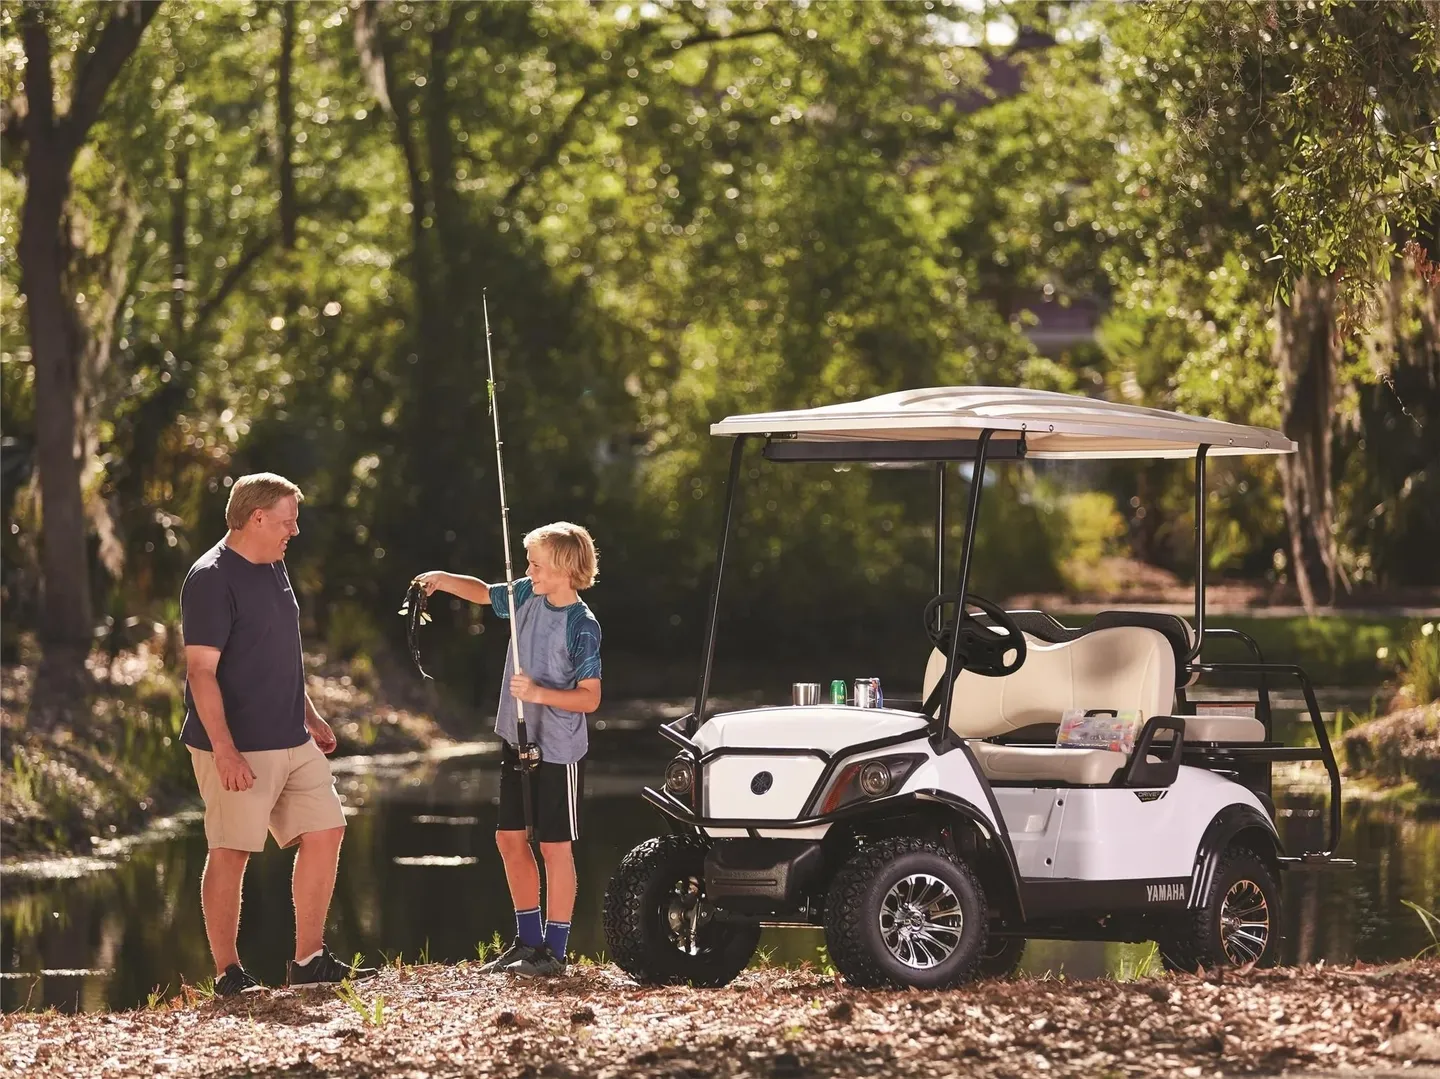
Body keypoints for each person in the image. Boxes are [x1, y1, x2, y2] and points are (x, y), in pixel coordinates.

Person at [180, 472, 375, 995]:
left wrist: (309, 714)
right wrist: (223, 749)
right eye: (287, 521)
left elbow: (278, 651)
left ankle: (308, 959)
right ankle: (229, 974)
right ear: (256, 517)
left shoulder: (275, 566)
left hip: (291, 734)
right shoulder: (210, 578)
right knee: (232, 850)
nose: (294, 531)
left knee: (327, 830)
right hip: (237, 744)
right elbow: (201, 671)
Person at [415, 522, 602, 977]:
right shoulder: (526, 596)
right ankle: (528, 942)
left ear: (562, 568)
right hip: (517, 740)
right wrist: (441, 579)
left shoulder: (583, 625)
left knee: (555, 847)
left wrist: (538, 693)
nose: (527, 570)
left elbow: (590, 698)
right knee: (508, 839)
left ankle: (554, 953)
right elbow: (483, 592)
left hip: (558, 750)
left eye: (535, 564)